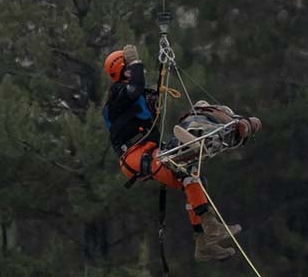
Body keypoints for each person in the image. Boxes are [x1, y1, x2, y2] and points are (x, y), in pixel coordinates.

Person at [101, 43, 240, 262]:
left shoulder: (134, 95)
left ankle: (204, 240)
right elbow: (135, 89)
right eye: (129, 68)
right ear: (121, 72)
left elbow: (140, 94)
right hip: (135, 155)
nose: (136, 71)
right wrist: (136, 62)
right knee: (180, 167)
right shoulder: (117, 94)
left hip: (149, 150)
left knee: (193, 176)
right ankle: (210, 226)